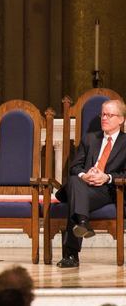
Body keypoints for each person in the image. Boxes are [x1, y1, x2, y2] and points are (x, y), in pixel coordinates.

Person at [56, 99, 126, 268]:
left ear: (121, 119)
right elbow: (74, 167)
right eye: (102, 114)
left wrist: (107, 177)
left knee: (75, 196)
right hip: (83, 187)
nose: (104, 118)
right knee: (74, 179)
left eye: (110, 115)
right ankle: (82, 222)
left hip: (109, 191)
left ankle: (71, 255)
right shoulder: (89, 139)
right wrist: (84, 175)